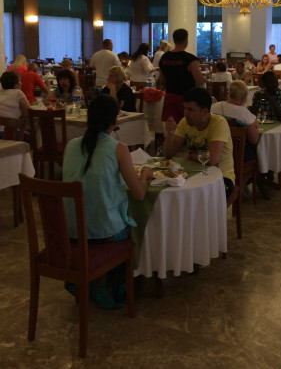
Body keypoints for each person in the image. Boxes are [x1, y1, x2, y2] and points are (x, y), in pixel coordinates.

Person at [62, 94, 153, 309]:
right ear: (115, 120)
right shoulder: (118, 148)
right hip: (104, 232)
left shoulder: (71, 145)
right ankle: (117, 284)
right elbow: (139, 193)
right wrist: (145, 175)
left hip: (71, 230)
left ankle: (97, 281)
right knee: (139, 227)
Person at [163, 88, 235, 199]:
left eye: (190, 109)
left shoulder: (219, 123)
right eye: (185, 108)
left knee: (194, 198)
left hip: (221, 178)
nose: (185, 113)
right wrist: (170, 134)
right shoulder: (185, 122)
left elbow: (212, 159)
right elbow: (168, 153)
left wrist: (188, 155)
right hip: (192, 174)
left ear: (204, 111)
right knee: (172, 194)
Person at [159, 28, 205, 122]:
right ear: (186, 40)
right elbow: (199, 81)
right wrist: (206, 78)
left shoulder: (164, 57)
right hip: (186, 99)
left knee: (171, 126)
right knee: (187, 126)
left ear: (174, 40)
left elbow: (162, 79)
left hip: (170, 96)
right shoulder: (190, 59)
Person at [211, 80, 259, 161]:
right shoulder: (244, 113)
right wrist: (256, 125)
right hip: (237, 155)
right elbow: (254, 140)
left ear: (229, 94)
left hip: (215, 151)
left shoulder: (214, 107)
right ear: (243, 98)